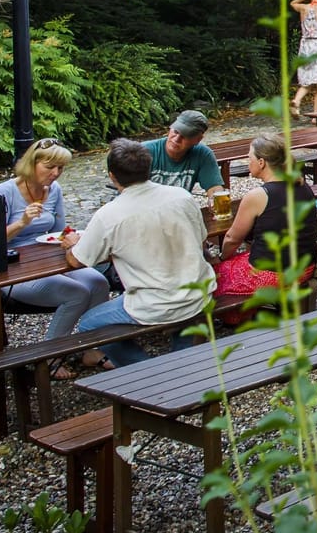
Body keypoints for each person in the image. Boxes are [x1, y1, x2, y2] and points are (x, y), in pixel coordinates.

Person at [63, 139, 216, 367]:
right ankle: (183, 369)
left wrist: (70, 244)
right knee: (180, 316)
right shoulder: (182, 197)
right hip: (198, 293)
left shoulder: (109, 215)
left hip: (154, 304)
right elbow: (202, 237)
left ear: (112, 176)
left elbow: (77, 261)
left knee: (88, 324)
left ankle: (145, 370)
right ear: (149, 168)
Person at [0, 139, 112, 376]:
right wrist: (22, 223)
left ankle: (91, 348)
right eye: (50, 167)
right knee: (76, 293)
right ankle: (49, 357)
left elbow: (58, 231)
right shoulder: (4, 192)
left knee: (99, 282)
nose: (55, 173)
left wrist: (73, 238)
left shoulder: (53, 190)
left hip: (46, 258)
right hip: (12, 267)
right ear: (32, 164)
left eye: (60, 168)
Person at [213, 134, 317, 297]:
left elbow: (232, 239)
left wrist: (222, 258)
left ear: (261, 163)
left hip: (273, 276)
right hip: (305, 268)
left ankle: (235, 319)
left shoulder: (258, 196)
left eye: (249, 158)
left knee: (214, 275)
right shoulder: (303, 186)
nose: (248, 163)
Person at [144, 110, 226, 197]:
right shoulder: (144, 151)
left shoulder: (203, 154)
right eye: (176, 131)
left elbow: (214, 188)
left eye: (185, 135)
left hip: (179, 208)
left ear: (198, 139)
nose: (176, 139)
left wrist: (216, 200)